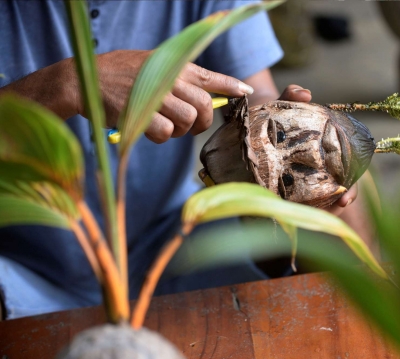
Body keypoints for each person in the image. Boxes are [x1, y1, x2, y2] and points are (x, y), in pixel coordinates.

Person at [0, 1, 362, 320]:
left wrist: (278, 115)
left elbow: (254, 91)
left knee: (345, 202)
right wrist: (62, 84)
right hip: (22, 262)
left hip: (170, 234)